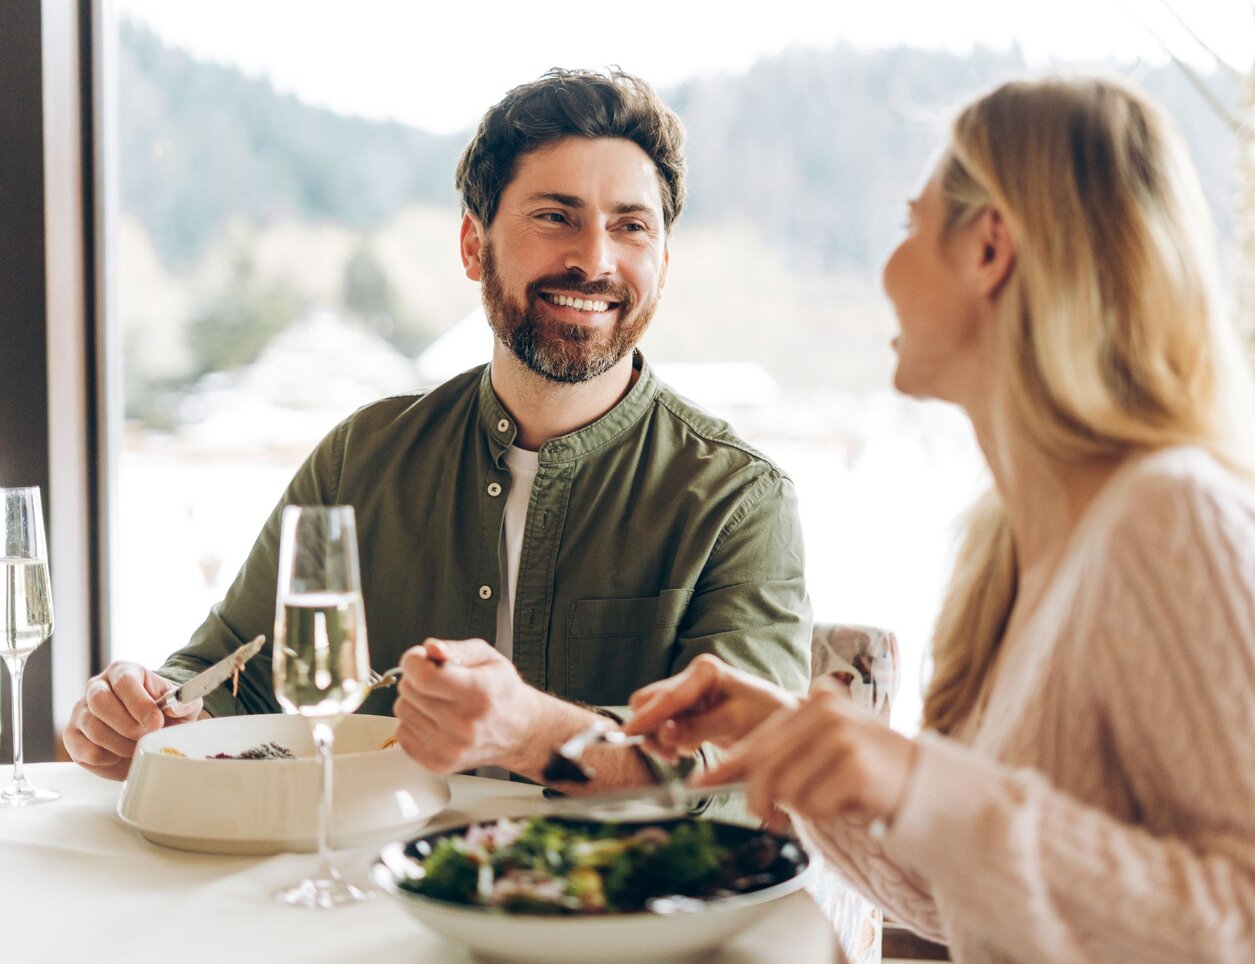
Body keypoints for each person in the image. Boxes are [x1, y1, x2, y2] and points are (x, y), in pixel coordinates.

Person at [624, 75, 1255, 961]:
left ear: (990, 248)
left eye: (911, 225)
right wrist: (799, 748)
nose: (887, 269)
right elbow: (984, 893)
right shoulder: (1014, 543)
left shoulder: (1177, 521)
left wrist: (925, 786)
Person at [63, 68, 812, 796]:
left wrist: (532, 733)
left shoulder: (740, 497)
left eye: (631, 226)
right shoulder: (360, 457)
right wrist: (145, 714)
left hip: (627, 880)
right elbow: (237, 677)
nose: (594, 259)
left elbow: (742, 758)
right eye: (555, 217)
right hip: (372, 870)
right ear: (472, 246)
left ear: (663, 263)